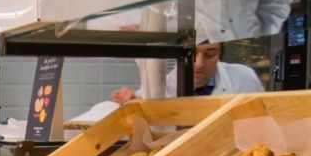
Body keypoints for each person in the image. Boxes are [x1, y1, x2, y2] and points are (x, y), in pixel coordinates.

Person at [111, 40, 265, 103]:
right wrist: (132, 104)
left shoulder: (244, 79)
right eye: (191, 54)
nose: (199, 64)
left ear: (220, 54)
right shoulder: (158, 89)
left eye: (210, 54)